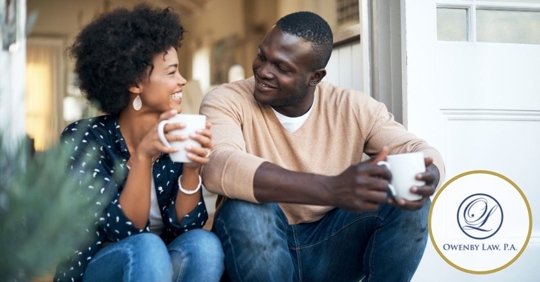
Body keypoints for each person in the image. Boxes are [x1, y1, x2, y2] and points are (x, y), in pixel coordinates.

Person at [200, 11, 445, 282]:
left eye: (281, 68)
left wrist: (427, 176)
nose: (263, 71)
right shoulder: (226, 99)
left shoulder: (352, 106)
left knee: (410, 200)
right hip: (259, 244)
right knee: (245, 208)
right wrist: (331, 189)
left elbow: (417, 149)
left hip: (331, 249)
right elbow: (218, 165)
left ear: (315, 77)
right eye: (262, 56)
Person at [54, 4, 224, 282]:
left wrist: (192, 169)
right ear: (135, 83)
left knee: (205, 246)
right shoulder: (85, 140)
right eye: (171, 72)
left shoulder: (175, 136)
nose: (182, 81)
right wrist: (143, 157)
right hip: (99, 269)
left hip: (155, 268)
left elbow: (186, 229)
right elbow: (123, 232)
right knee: (147, 246)